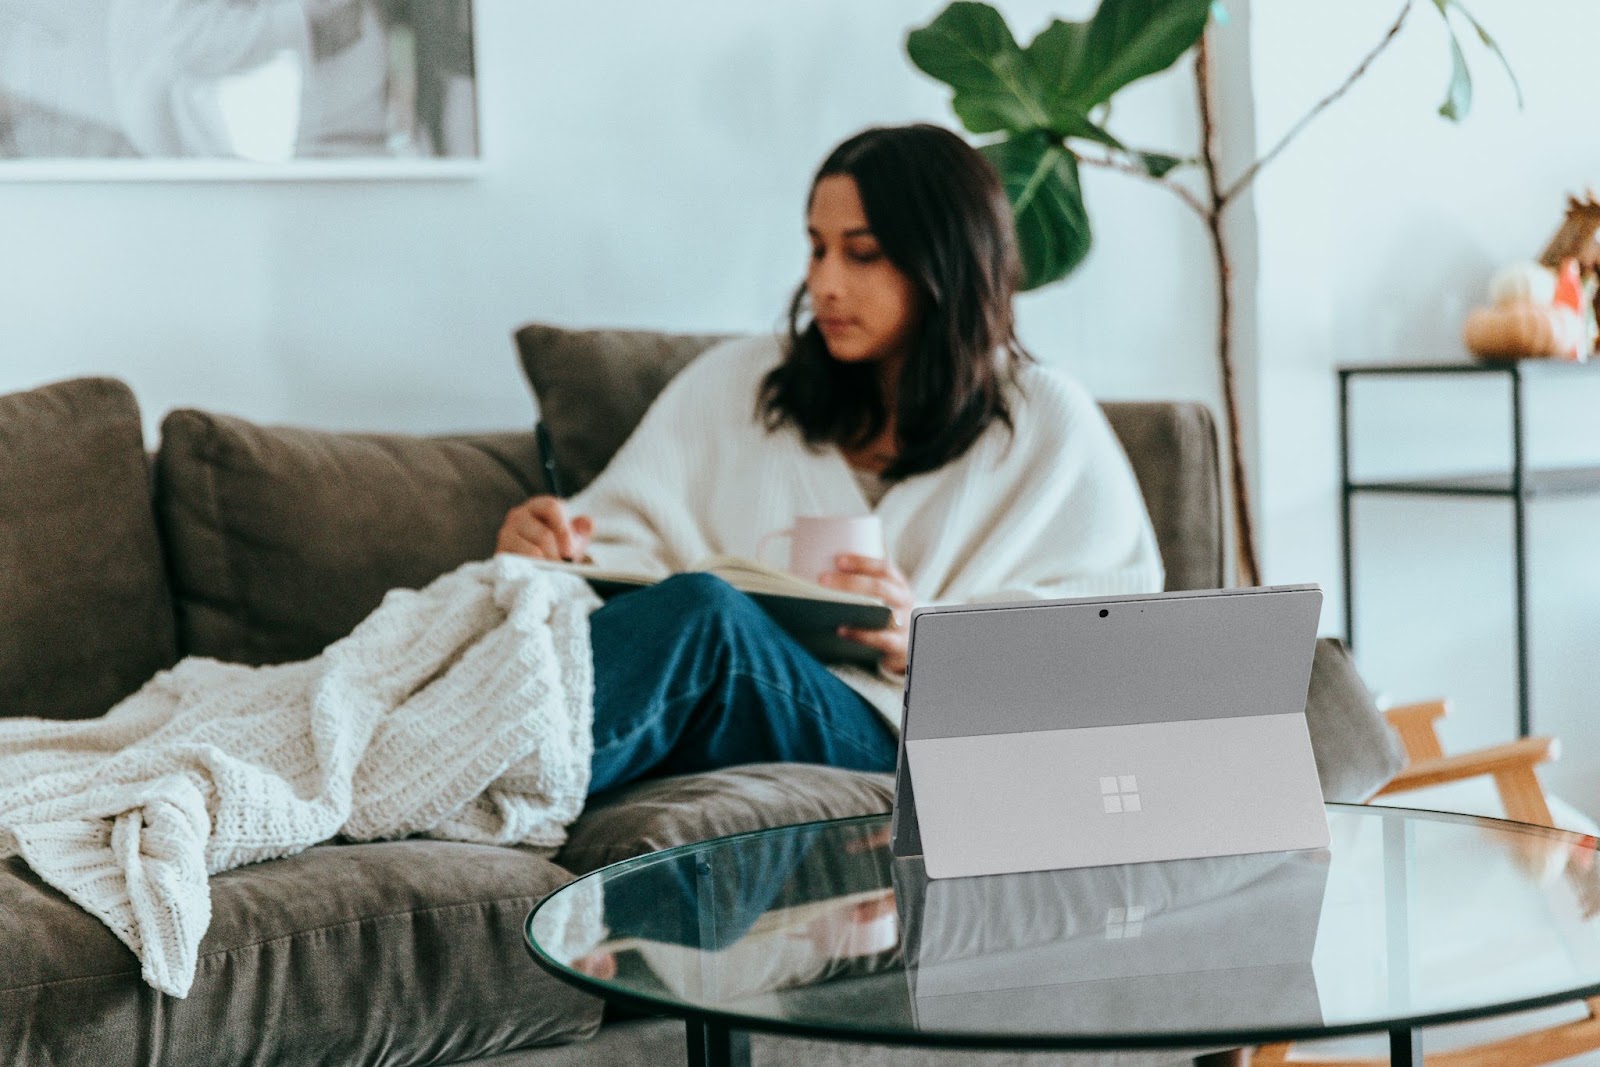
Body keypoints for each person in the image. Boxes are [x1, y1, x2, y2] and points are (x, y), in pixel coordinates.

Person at [497, 123, 1163, 796]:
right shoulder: (742, 381)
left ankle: (485, 777)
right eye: (816, 250)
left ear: (946, 260)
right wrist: (556, 544)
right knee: (692, 616)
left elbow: (1118, 644)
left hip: (899, 730)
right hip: (726, 714)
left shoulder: (1045, 420)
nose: (824, 283)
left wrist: (930, 641)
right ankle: (480, 768)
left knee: (711, 617)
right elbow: (618, 541)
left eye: (862, 253)